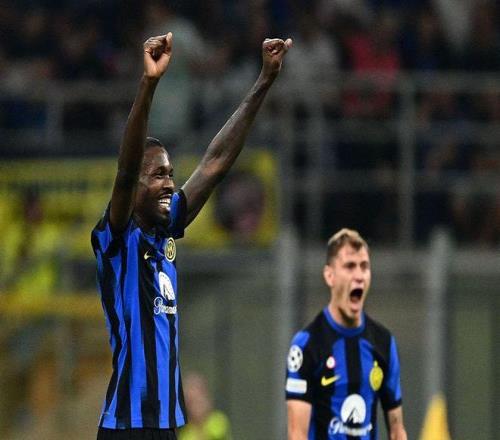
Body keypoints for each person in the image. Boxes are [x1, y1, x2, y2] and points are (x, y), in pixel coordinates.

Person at [91, 32, 292, 439]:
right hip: (127, 427)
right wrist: (149, 84)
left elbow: (215, 162)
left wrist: (264, 80)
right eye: (158, 175)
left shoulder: (166, 230)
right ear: (133, 189)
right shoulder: (117, 240)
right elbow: (126, 170)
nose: (169, 184)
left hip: (167, 426)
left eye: (170, 174)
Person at [286, 228, 407, 440]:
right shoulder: (307, 345)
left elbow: (397, 431)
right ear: (329, 276)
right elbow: (297, 433)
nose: (359, 276)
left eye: (364, 267)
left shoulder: (384, 342)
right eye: (350, 266)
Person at [178, 372, 232, 440]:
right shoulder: (184, 432)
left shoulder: (218, 421)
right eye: (191, 402)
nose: (196, 407)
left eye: (198, 401)